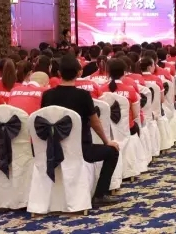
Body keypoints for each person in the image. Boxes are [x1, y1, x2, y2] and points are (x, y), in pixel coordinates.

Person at [41, 54, 120, 206]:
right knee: (112, 152)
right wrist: (107, 141)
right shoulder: (83, 95)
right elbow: (95, 122)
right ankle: (100, 195)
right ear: (79, 73)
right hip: (81, 149)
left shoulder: (47, 95)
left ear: (59, 73)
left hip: (52, 149)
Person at [98, 58, 141, 136]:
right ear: (124, 73)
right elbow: (135, 115)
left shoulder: (101, 90)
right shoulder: (130, 90)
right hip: (128, 129)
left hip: (108, 131)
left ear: (108, 73)